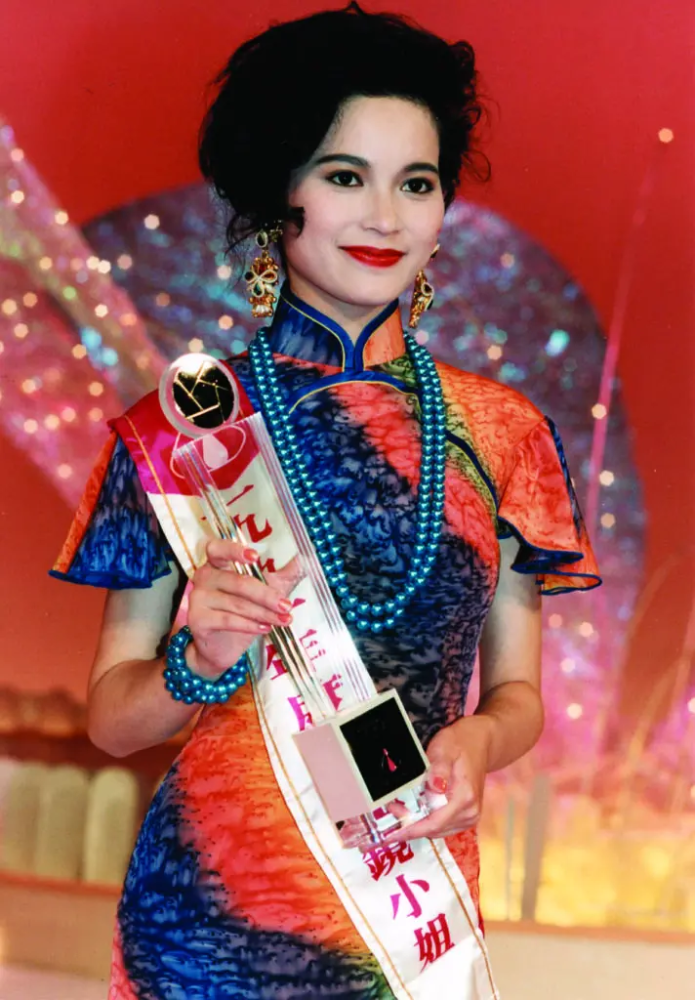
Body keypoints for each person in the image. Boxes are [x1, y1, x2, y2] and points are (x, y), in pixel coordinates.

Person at [52, 4, 600, 998]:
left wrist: (481, 739)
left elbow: (516, 696)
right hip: (204, 927)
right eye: (345, 176)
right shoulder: (179, 432)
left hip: (403, 921)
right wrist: (196, 658)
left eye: (416, 183)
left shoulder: (502, 432)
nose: (385, 217)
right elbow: (113, 723)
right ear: (279, 191)